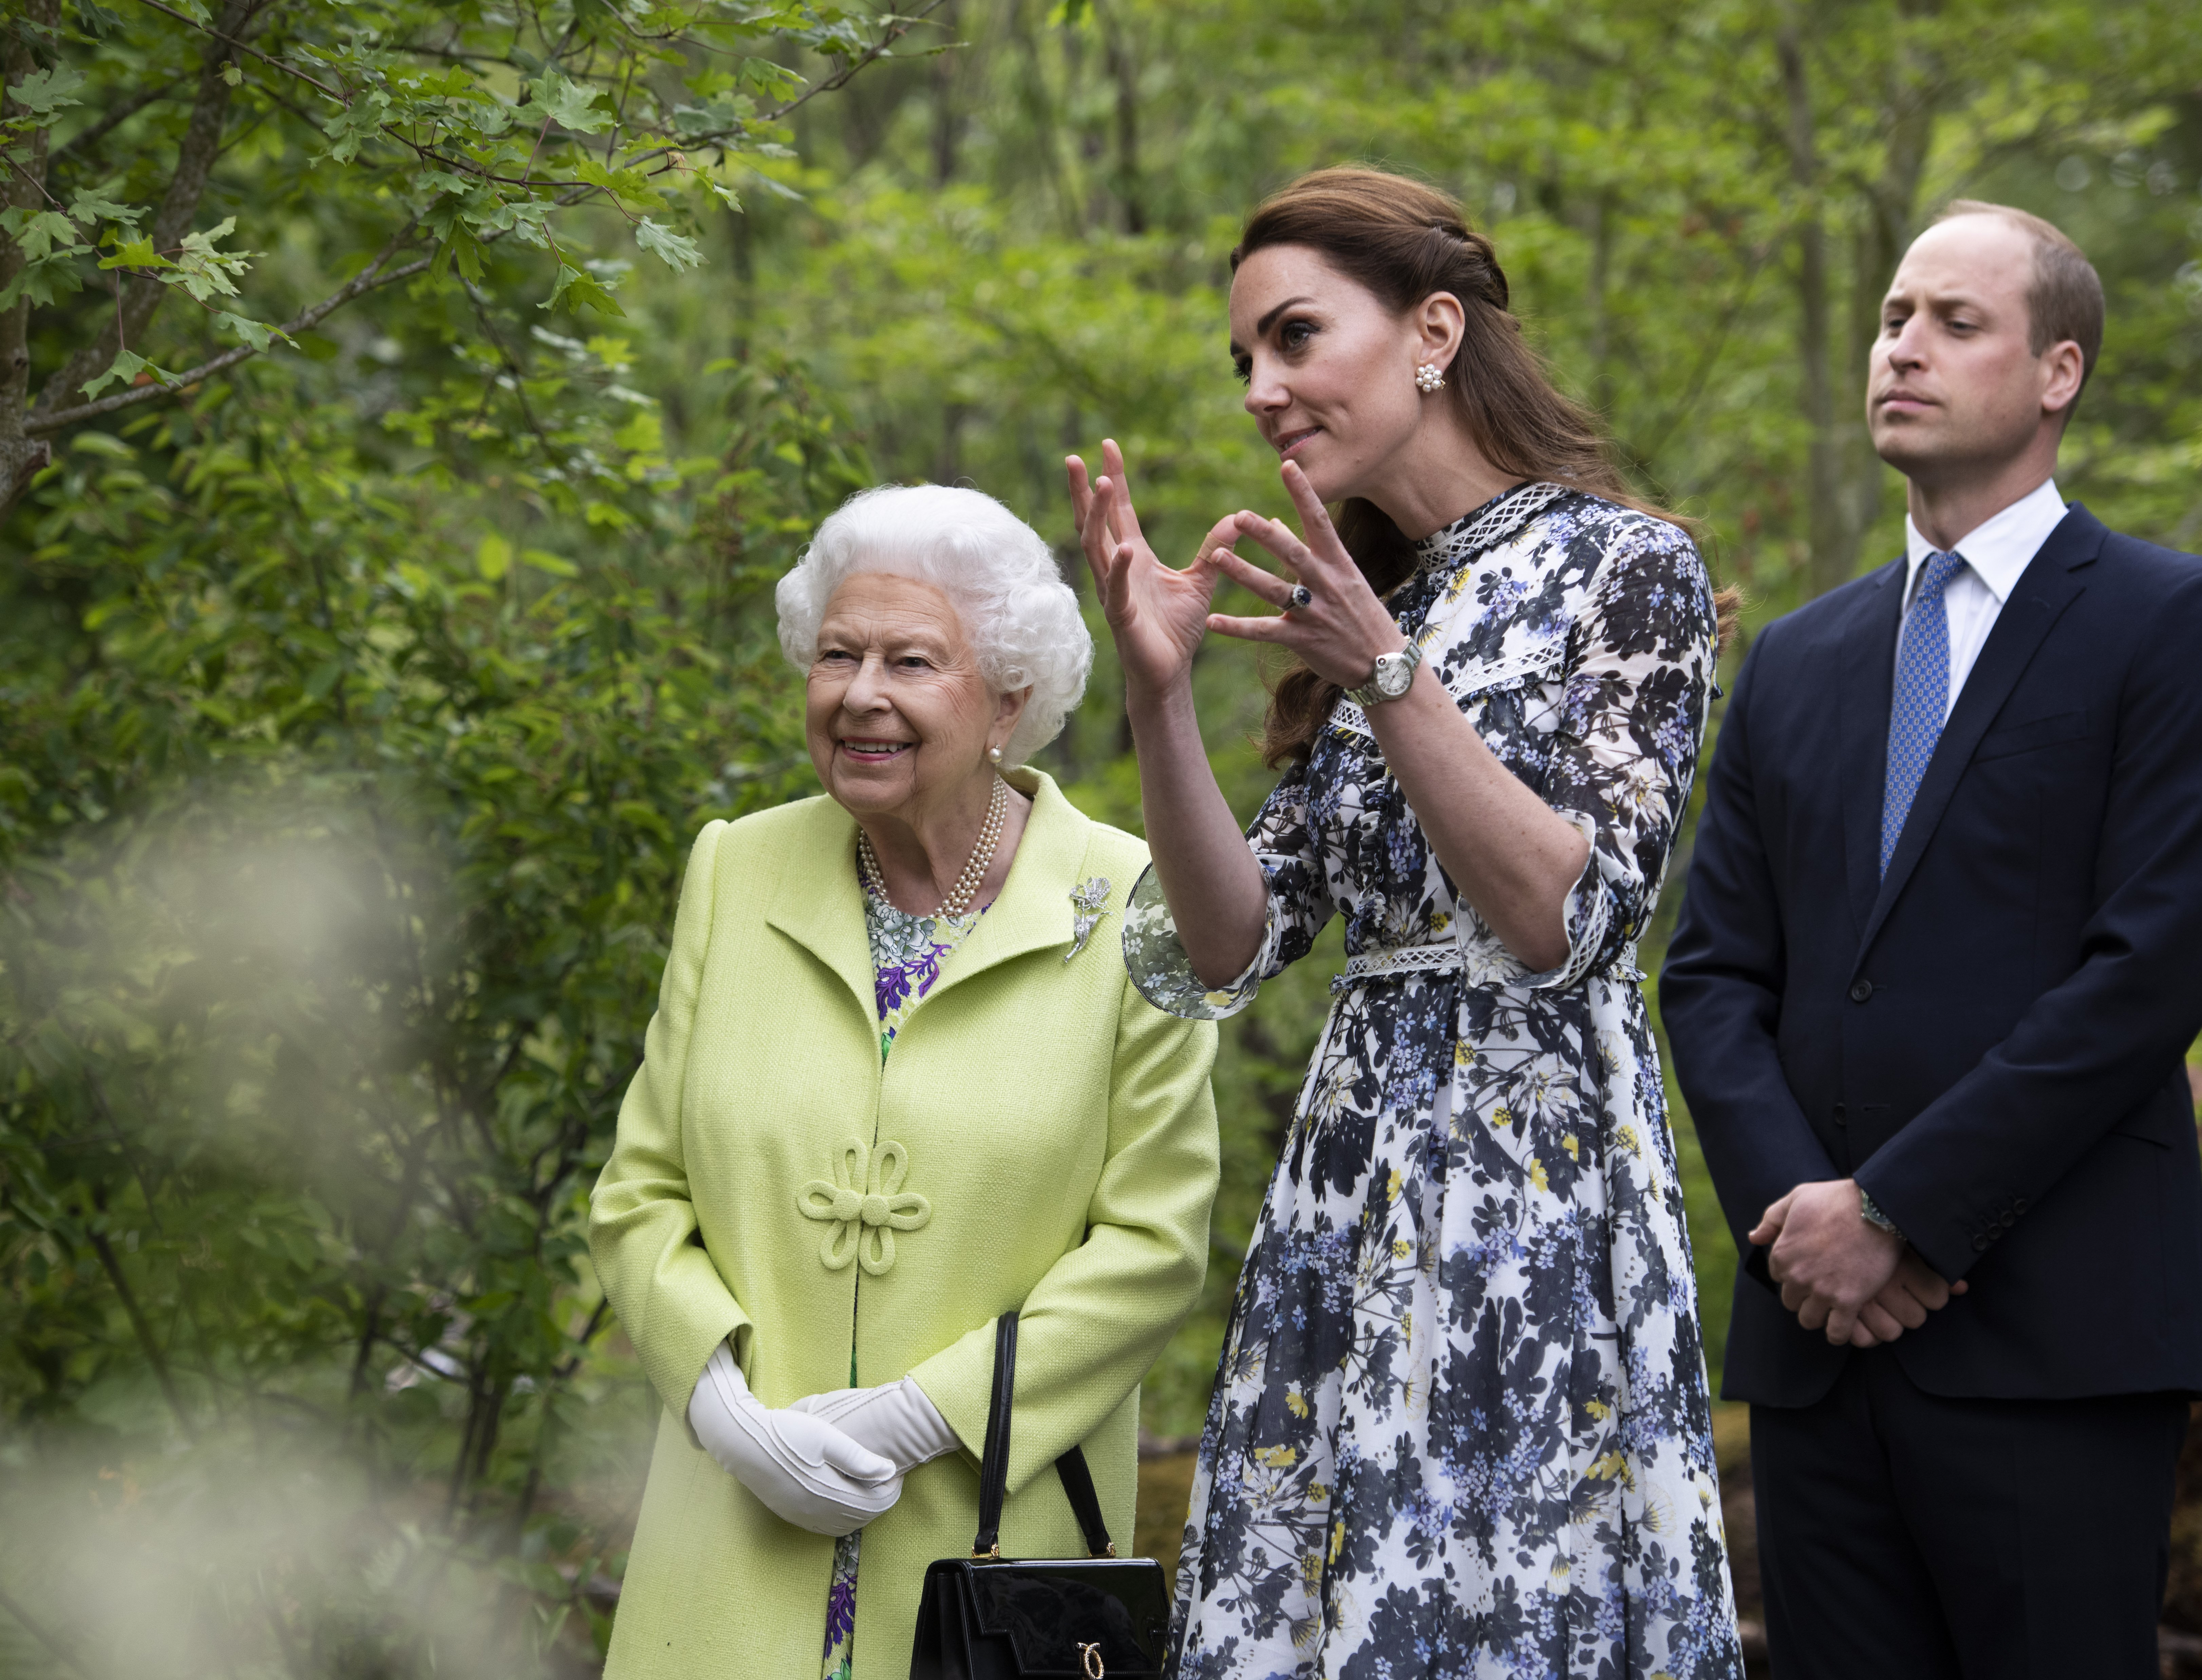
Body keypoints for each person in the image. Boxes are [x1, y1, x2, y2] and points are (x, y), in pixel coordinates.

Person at [1071, 166, 1744, 1679]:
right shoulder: (1374, 602)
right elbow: (1230, 945)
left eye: (1295, 337)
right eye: (1242, 358)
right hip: (1349, 1185)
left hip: (1532, 1206)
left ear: (1434, 329)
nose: (1261, 387)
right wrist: (1158, 690)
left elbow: (1563, 914)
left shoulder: (1627, 570)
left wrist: (1392, 674)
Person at [1662, 200, 2202, 1677]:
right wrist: (1807, 1226)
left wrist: (1898, 1209)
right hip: (1819, 1346)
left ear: (2059, 372)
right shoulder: (1796, 656)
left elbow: (2151, 964)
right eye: (1896, 316)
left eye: (1956, 322)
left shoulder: (2168, 619)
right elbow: (1714, 974)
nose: (1903, 344)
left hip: (2058, 1332)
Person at [587, 483, 1222, 1680]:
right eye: (836, 654)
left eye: (911, 660)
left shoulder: (1134, 899)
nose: (859, 694)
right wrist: (725, 1413)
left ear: (1009, 699)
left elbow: (1153, 1244)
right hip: (731, 1538)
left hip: (983, 1566)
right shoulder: (735, 869)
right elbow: (639, 1192)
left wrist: (917, 1414)